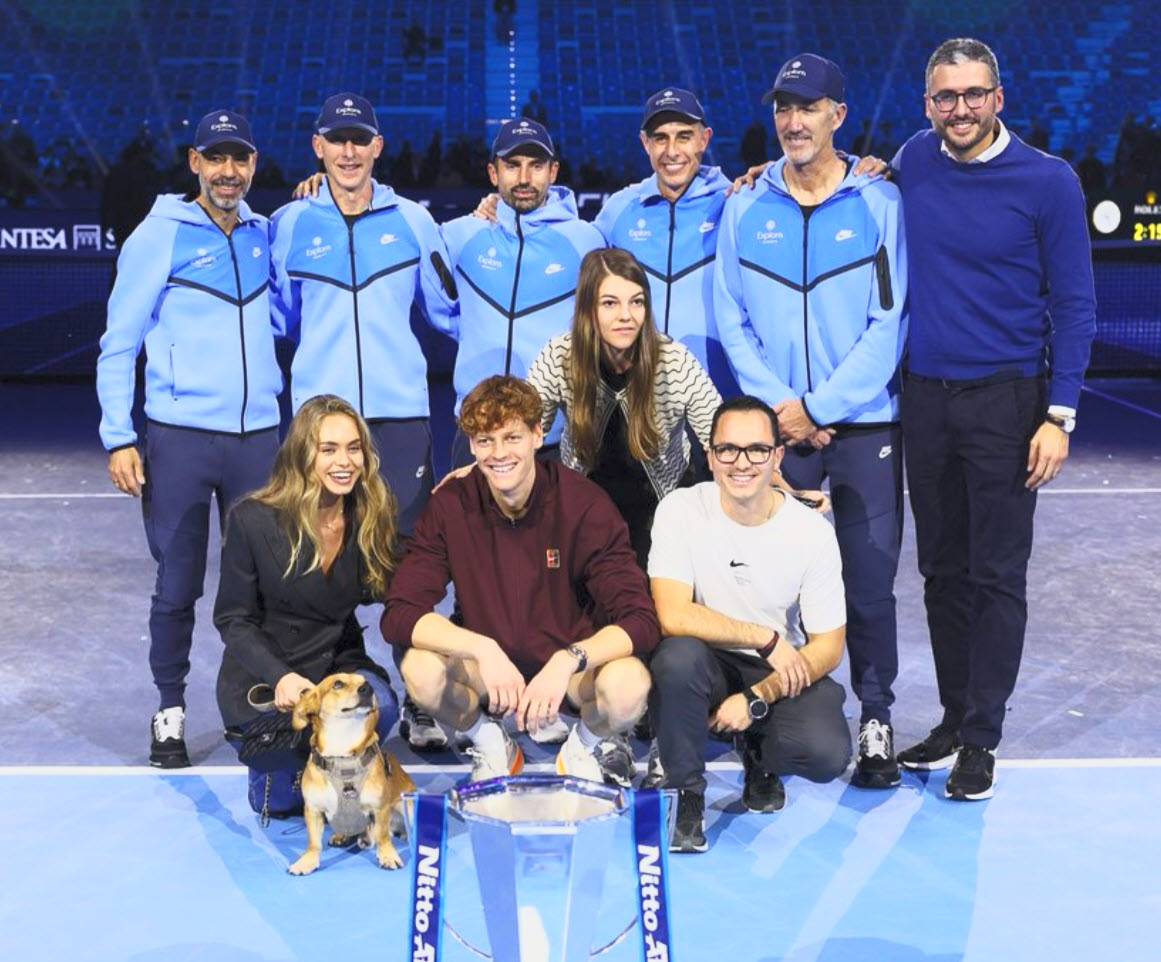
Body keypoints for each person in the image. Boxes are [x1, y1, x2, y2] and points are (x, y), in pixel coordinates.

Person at [891, 38, 1096, 800]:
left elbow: (1074, 303)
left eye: (973, 94)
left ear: (998, 97)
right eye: (945, 97)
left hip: (1008, 403)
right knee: (940, 572)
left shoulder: (1048, 182)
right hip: (924, 400)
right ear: (927, 104)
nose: (960, 110)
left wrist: (1059, 415)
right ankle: (951, 718)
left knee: (995, 575)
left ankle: (981, 738)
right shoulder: (911, 161)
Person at [714, 54, 907, 790]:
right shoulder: (743, 203)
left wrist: (819, 408)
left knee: (866, 583)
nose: (792, 122)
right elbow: (730, 320)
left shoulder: (877, 202)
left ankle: (877, 715)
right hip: (774, 429)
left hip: (859, 426)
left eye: (807, 107)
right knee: (760, 589)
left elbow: (887, 322)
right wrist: (782, 412)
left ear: (838, 116)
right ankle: (764, 721)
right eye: (782, 109)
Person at [96, 109, 282, 769]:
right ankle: (170, 707)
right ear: (194, 163)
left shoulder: (265, 234)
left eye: (240, 159)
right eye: (216, 159)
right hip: (178, 441)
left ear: (253, 165)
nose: (228, 171)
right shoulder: (157, 236)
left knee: (258, 588)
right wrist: (119, 436)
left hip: (258, 438)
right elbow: (118, 344)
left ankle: (254, 706)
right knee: (177, 583)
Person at [380, 375, 659, 786]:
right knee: (420, 670)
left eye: (511, 437)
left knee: (629, 685)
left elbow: (640, 619)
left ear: (537, 434)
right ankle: (491, 742)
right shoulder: (450, 505)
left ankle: (581, 748)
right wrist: (481, 648)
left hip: (570, 674)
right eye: (485, 441)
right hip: (488, 672)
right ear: (471, 447)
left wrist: (568, 660)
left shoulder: (584, 504)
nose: (498, 454)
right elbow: (400, 613)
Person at [647, 396, 850, 852]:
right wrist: (764, 638)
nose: (742, 463)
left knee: (826, 753)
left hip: (772, 672)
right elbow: (673, 614)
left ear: (777, 456)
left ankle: (759, 756)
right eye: (728, 450)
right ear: (710, 456)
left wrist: (757, 699)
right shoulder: (680, 510)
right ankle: (686, 795)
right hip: (705, 660)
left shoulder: (811, 533)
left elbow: (828, 647)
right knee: (676, 658)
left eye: (757, 450)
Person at [269, 92, 458, 537]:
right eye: (338, 141)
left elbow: (448, 313)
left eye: (359, 140)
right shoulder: (289, 223)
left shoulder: (414, 221)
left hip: (400, 418)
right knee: (317, 564)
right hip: (318, 421)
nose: (348, 152)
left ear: (378, 146)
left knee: (406, 564)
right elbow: (277, 320)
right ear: (319, 147)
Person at [215, 395, 401, 815]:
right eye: (329, 449)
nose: (345, 461)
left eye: (354, 448)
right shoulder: (253, 519)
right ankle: (291, 775)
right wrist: (280, 677)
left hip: (336, 665)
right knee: (283, 804)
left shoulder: (369, 513)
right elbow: (233, 619)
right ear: (302, 454)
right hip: (269, 678)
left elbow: (397, 586)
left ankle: (335, 780)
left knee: (382, 706)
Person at [441, 117, 604, 465]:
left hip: (553, 438)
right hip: (476, 433)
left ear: (554, 171)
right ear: (492, 173)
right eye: (512, 166)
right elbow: (436, 305)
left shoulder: (586, 240)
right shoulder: (459, 235)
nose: (525, 179)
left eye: (536, 166)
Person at [594, 87, 738, 395]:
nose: (672, 151)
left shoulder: (735, 203)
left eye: (684, 136)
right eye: (660, 138)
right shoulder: (618, 210)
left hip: (719, 402)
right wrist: (498, 208)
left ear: (705, 138)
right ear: (645, 143)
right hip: (638, 403)